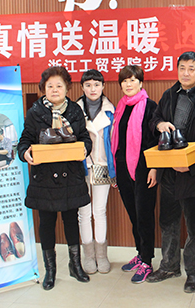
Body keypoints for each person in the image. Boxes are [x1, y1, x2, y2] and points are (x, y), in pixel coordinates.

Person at [147, 51, 195, 293]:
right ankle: (169, 266)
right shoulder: (169, 95)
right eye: (182, 68)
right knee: (167, 222)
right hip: (169, 172)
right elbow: (155, 118)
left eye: (191, 69)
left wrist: (191, 165)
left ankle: (194, 273)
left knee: (194, 227)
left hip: (194, 175)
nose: (186, 73)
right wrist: (159, 124)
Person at [17, 66, 92, 291]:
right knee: (47, 224)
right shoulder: (35, 112)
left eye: (59, 85)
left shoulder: (75, 111)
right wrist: (25, 153)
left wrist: (85, 149)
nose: (55, 90)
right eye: (50, 86)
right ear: (44, 89)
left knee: (71, 221)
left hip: (70, 176)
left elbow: (85, 138)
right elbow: (25, 139)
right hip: (44, 179)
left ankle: (75, 265)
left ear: (67, 88)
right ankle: (50, 271)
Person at [112, 65, 159, 283]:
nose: (128, 84)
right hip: (123, 167)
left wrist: (154, 168)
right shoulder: (121, 106)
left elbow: (156, 141)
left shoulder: (150, 107)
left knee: (144, 216)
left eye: (132, 80)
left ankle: (147, 262)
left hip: (143, 168)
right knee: (133, 214)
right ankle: (140, 254)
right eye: (124, 81)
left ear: (141, 82)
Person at [76, 69, 115, 275]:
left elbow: (114, 143)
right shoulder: (74, 111)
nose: (93, 89)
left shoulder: (110, 111)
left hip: (102, 167)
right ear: (82, 87)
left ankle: (102, 255)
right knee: (83, 212)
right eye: (88, 85)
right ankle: (88, 255)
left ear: (103, 87)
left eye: (97, 85)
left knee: (99, 211)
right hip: (80, 168)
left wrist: (114, 171)